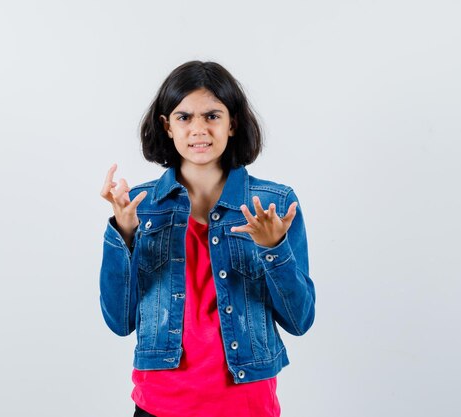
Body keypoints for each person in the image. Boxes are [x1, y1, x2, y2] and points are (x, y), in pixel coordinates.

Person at [99, 61, 316, 417]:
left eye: (212, 115)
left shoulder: (274, 205)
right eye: (184, 117)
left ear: (233, 123)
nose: (198, 129)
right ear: (166, 126)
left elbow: (299, 319)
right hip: (159, 404)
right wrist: (124, 233)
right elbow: (119, 322)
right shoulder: (140, 207)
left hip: (247, 405)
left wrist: (272, 248)